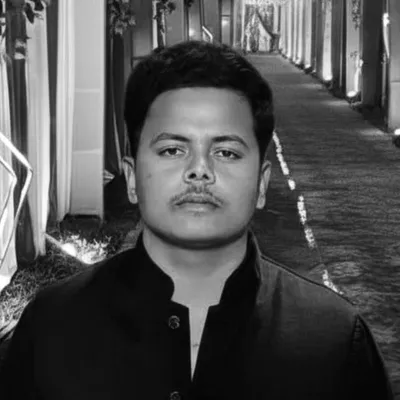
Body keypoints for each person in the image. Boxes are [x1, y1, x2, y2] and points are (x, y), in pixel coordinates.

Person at [0, 40, 394, 400]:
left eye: (226, 153)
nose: (199, 170)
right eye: (173, 150)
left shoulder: (335, 340)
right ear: (132, 178)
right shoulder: (52, 326)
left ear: (261, 183)